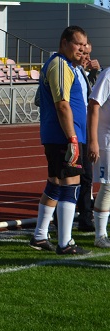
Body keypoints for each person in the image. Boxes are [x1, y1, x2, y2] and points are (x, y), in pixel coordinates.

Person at [30, 25, 89, 255]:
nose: (81, 49)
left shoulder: (65, 65)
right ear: (64, 42)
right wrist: (72, 138)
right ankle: (65, 242)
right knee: (70, 184)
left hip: (59, 135)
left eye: (84, 45)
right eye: (77, 44)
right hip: (63, 136)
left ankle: (40, 235)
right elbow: (62, 104)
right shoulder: (60, 65)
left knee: (55, 183)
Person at [86, 66, 110, 248]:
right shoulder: (108, 75)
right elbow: (94, 104)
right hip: (107, 139)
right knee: (108, 186)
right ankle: (100, 235)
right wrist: (93, 140)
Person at [75, 42, 95, 232]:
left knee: (87, 176)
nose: (87, 58)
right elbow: (40, 99)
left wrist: (95, 73)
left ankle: (85, 217)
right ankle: (58, 219)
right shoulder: (65, 71)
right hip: (71, 131)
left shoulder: (83, 73)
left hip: (85, 130)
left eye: (88, 54)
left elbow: (93, 96)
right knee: (68, 177)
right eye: (84, 53)